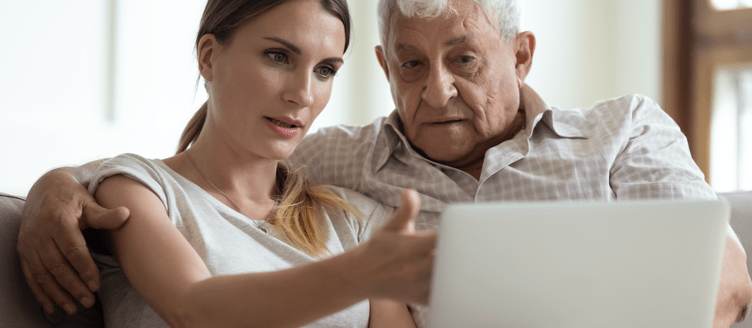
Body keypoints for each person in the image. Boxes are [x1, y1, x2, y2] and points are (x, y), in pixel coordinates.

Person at [16, 0, 752, 327]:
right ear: (383, 66)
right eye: (409, 64)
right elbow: (201, 171)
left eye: (464, 59)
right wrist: (56, 185)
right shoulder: (343, 168)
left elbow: (718, 285)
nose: (435, 91)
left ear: (520, 55)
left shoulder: (624, 130)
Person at [19, 0, 436, 327]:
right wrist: (357, 275)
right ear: (208, 58)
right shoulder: (140, 189)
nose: (304, 94)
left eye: (325, 70)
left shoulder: (354, 221)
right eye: (278, 56)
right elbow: (194, 310)